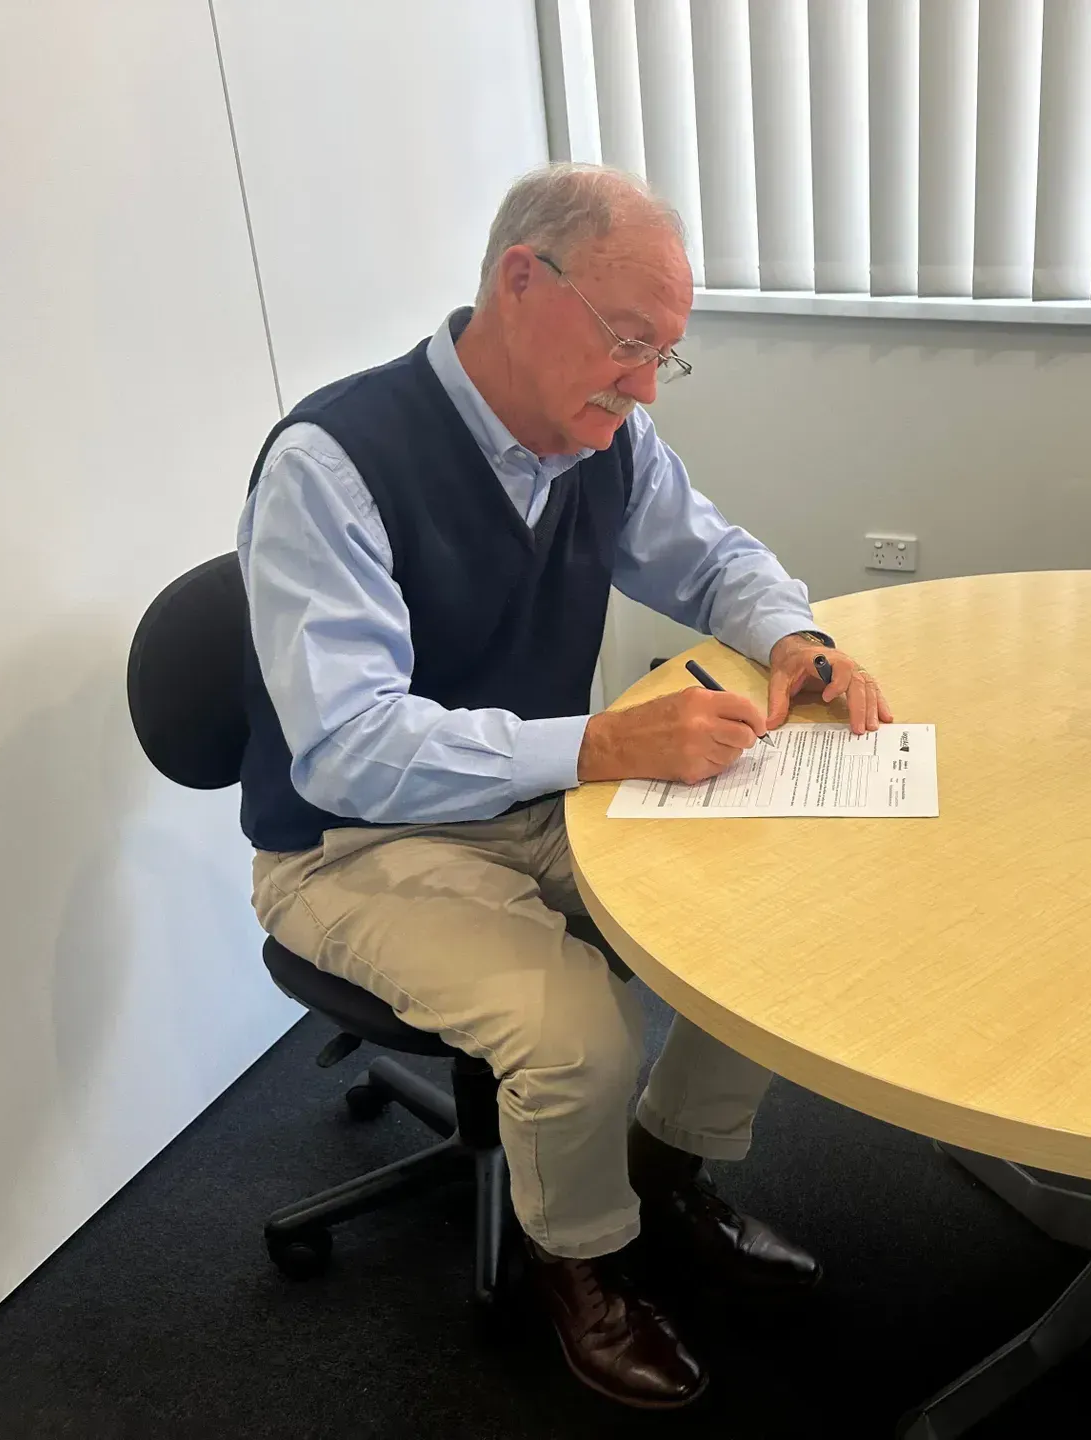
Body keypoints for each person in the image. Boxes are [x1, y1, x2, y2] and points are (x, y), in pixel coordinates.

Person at [238, 163, 891, 1409]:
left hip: (526, 801)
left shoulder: (605, 435)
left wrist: (795, 636)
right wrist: (595, 748)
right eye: (630, 342)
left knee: (761, 919)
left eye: (666, 356)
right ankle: (580, 1261)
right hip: (348, 845)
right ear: (520, 282)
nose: (645, 385)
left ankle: (666, 1169)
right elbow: (347, 747)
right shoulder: (333, 463)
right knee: (574, 1031)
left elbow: (714, 561)